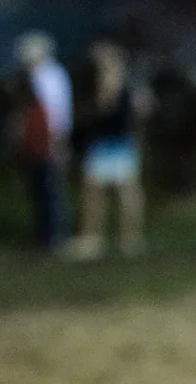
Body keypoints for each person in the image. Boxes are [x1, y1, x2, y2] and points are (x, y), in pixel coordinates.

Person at [68, 36, 152, 260]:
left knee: (111, 192)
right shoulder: (129, 80)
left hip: (111, 141)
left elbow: (108, 108)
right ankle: (122, 239)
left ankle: (106, 238)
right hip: (114, 140)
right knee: (108, 192)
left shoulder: (117, 79)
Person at [14, 31, 73, 251]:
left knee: (52, 188)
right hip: (36, 141)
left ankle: (56, 236)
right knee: (39, 188)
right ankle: (44, 234)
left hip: (50, 140)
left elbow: (59, 112)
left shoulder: (51, 76)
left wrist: (59, 140)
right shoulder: (32, 77)